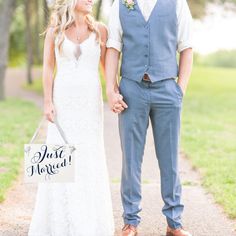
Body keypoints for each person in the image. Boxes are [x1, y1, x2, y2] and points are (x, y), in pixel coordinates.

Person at [105, 0, 193, 235]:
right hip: (131, 89)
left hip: (167, 89)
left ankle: (174, 222)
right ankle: (130, 221)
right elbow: (113, 48)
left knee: (170, 159)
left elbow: (186, 48)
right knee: (131, 159)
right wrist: (111, 89)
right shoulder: (120, 5)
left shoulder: (177, 4)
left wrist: (179, 90)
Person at [28, 0, 115, 235]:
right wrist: (47, 101)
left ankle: (89, 223)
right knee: (60, 154)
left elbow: (107, 67)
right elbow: (48, 67)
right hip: (63, 101)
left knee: (89, 154)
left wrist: (114, 92)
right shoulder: (54, 31)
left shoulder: (100, 30)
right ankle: (58, 222)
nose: (90, 1)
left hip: (90, 103)